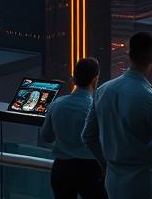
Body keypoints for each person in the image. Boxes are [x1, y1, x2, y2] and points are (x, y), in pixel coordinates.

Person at [82, 32, 152, 199]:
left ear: (129, 55)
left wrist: (107, 162)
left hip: (113, 186)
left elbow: (88, 136)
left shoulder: (103, 90)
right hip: (146, 187)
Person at [40, 57, 107, 199]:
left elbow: (46, 136)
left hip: (61, 169)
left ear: (73, 79)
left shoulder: (57, 104)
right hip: (90, 170)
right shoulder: (97, 109)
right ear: (95, 80)